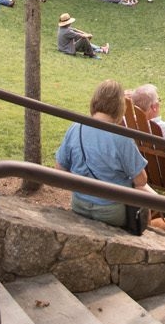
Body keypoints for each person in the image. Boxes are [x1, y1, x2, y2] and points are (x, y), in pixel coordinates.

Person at [55, 78, 151, 229]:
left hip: (79, 204)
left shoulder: (75, 127)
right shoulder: (122, 137)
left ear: (95, 100)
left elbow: (60, 169)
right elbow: (141, 181)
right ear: (120, 106)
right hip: (112, 210)